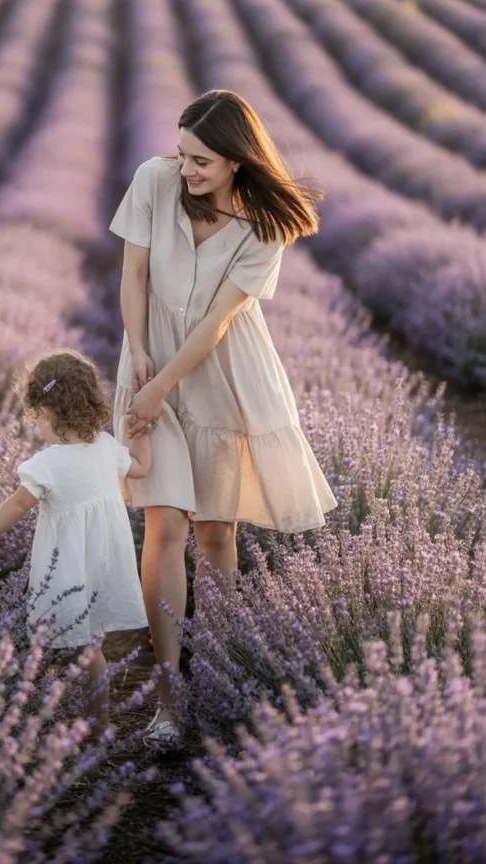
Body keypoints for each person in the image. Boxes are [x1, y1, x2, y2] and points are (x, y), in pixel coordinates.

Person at [109, 89, 339, 748]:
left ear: (238, 159)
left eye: (201, 161)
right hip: (150, 360)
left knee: (213, 533)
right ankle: (167, 698)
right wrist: (142, 363)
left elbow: (217, 322)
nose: (186, 171)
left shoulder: (265, 226)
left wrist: (165, 386)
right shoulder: (154, 180)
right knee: (161, 524)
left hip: (222, 377)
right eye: (182, 155)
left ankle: (217, 673)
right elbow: (131, 278)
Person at [0, 348, 151, 739]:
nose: (37, 424)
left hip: (69, 564)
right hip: (104, 560)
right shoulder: (108, 447)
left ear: (48, 412)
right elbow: (142, 468)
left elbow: (18, 504)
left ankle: (92, 722)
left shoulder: (47, 463)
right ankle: (90, 714)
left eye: (37, 416)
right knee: (88, 642)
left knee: (75, 644)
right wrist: (144, 438)